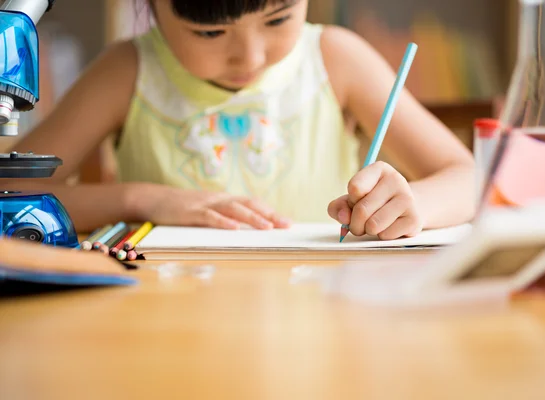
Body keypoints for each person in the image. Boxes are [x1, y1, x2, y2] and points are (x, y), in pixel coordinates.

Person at [1, 0, 475, 239]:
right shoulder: (128, 70)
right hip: (165, 320)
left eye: (277, 20)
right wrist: (143, 200)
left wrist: (413, 205)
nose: (249, 56)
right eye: (209, 31)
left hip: (323, 313)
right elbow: (8, 196)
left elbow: (470, 178)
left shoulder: (337, 58)